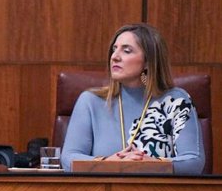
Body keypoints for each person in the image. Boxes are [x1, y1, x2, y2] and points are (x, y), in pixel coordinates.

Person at [61, 23, 204, 174]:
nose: (115, 57)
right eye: (114, 49)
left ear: (148, 62)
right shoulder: (90, 101)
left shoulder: (176, 101)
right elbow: (69, 159)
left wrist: (151, 164)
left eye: (126, 51)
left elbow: (194, 162)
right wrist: (108, 164)